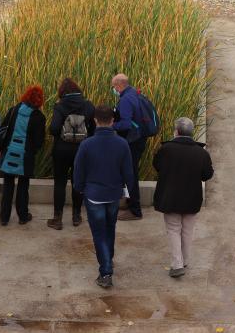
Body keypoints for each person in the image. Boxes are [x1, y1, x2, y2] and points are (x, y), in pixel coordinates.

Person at [73, 105, 134, 289]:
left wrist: (80, 189)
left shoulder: (86, 144)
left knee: (99, 233)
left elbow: (78, 172)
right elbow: (129, 173)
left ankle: (106, 271)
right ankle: (109, 259)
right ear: (113, 121)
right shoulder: (122, 144)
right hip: (114, 194)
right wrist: (129, 193)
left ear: (95, 120)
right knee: (110, 228)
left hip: (93, 195)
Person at [152, 117, 214, 278]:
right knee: (187, 231)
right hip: (192, 198)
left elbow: (156, 166)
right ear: (191, 133)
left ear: (176, 131)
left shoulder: (165, 150)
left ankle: (177, 264)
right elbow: (208, 175)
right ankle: (184, 261)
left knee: (173, 229)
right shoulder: (201, 153)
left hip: (169, 197)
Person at [46, 78, 96, 230]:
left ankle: (57, 218)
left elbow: (54, 128)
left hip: (61, 150)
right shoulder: (88, 105)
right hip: (82, 150)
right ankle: (76, 216)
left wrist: (61, 133)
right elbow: (93, 128)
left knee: (60, 182)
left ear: (62, 91)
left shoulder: (60, 106)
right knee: (78, 182)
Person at [0, 85, 46, 226]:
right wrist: (32, 151)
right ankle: (23, 216)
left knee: (8, 186)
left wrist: (0, 148)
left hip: (9, 153)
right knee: (23, 186)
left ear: (26, 96)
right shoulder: (39, 117)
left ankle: (4, 218)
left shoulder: (14, 110)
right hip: (26, 156)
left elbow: (3, 130)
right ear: (39, 100)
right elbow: (39, 142)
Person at [111, 73, 146, 221]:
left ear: (119, 85)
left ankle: (135, 210)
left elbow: (125, 124)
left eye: (113, 86)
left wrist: (112, 125)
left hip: (133, 141)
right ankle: (129, 201)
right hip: (139, 138)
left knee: (131, 174)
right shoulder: (134, 93)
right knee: (130, 172)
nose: (113, 89)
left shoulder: (125, 100)